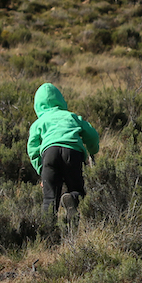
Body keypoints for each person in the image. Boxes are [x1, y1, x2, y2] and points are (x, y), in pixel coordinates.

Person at [26, 82, 100, 220]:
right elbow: (92, 135)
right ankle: (72, 198)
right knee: (77, 190)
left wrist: (42, 171)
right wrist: (93, 150)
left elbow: (33, 148)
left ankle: (48, 233)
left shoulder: (39, 123)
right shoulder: (71, 116)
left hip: (50, 154)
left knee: (49, 199)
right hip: (72, 153)